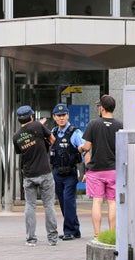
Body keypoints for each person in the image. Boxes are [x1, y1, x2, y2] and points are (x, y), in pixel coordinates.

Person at [12, 105, 59, 247]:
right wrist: (45, 147)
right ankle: (52, 238)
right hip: (44, 172)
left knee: (30, 206)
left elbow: (21, 152)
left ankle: (31, 239)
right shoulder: (38, 126)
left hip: (29, 174)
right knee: (48, 205)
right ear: (32, 116)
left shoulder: (16, 136)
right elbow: (52, 139)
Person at [78, 94, 123, 238]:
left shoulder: (93, 124)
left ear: (102, 108)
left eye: (99, 106)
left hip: (96, 170)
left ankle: (97, 234)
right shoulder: (120, 125)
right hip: (114, 170)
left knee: (97, 202)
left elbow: (87, 147)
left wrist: (80, 148)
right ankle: (112, 233)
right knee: (112, 202)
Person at [49, 103, 84, 240]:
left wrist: (84, 170)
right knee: (63, 202)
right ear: (54, 117)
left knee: (69, 201)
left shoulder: (75, 132)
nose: (61, 118)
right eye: (59, 116)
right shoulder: (53, 132)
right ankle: (75, 229)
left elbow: (83, 147)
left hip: (70, 173)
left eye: (64, 115)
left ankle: (69, 231)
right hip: (57, 172)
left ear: (68, 115)